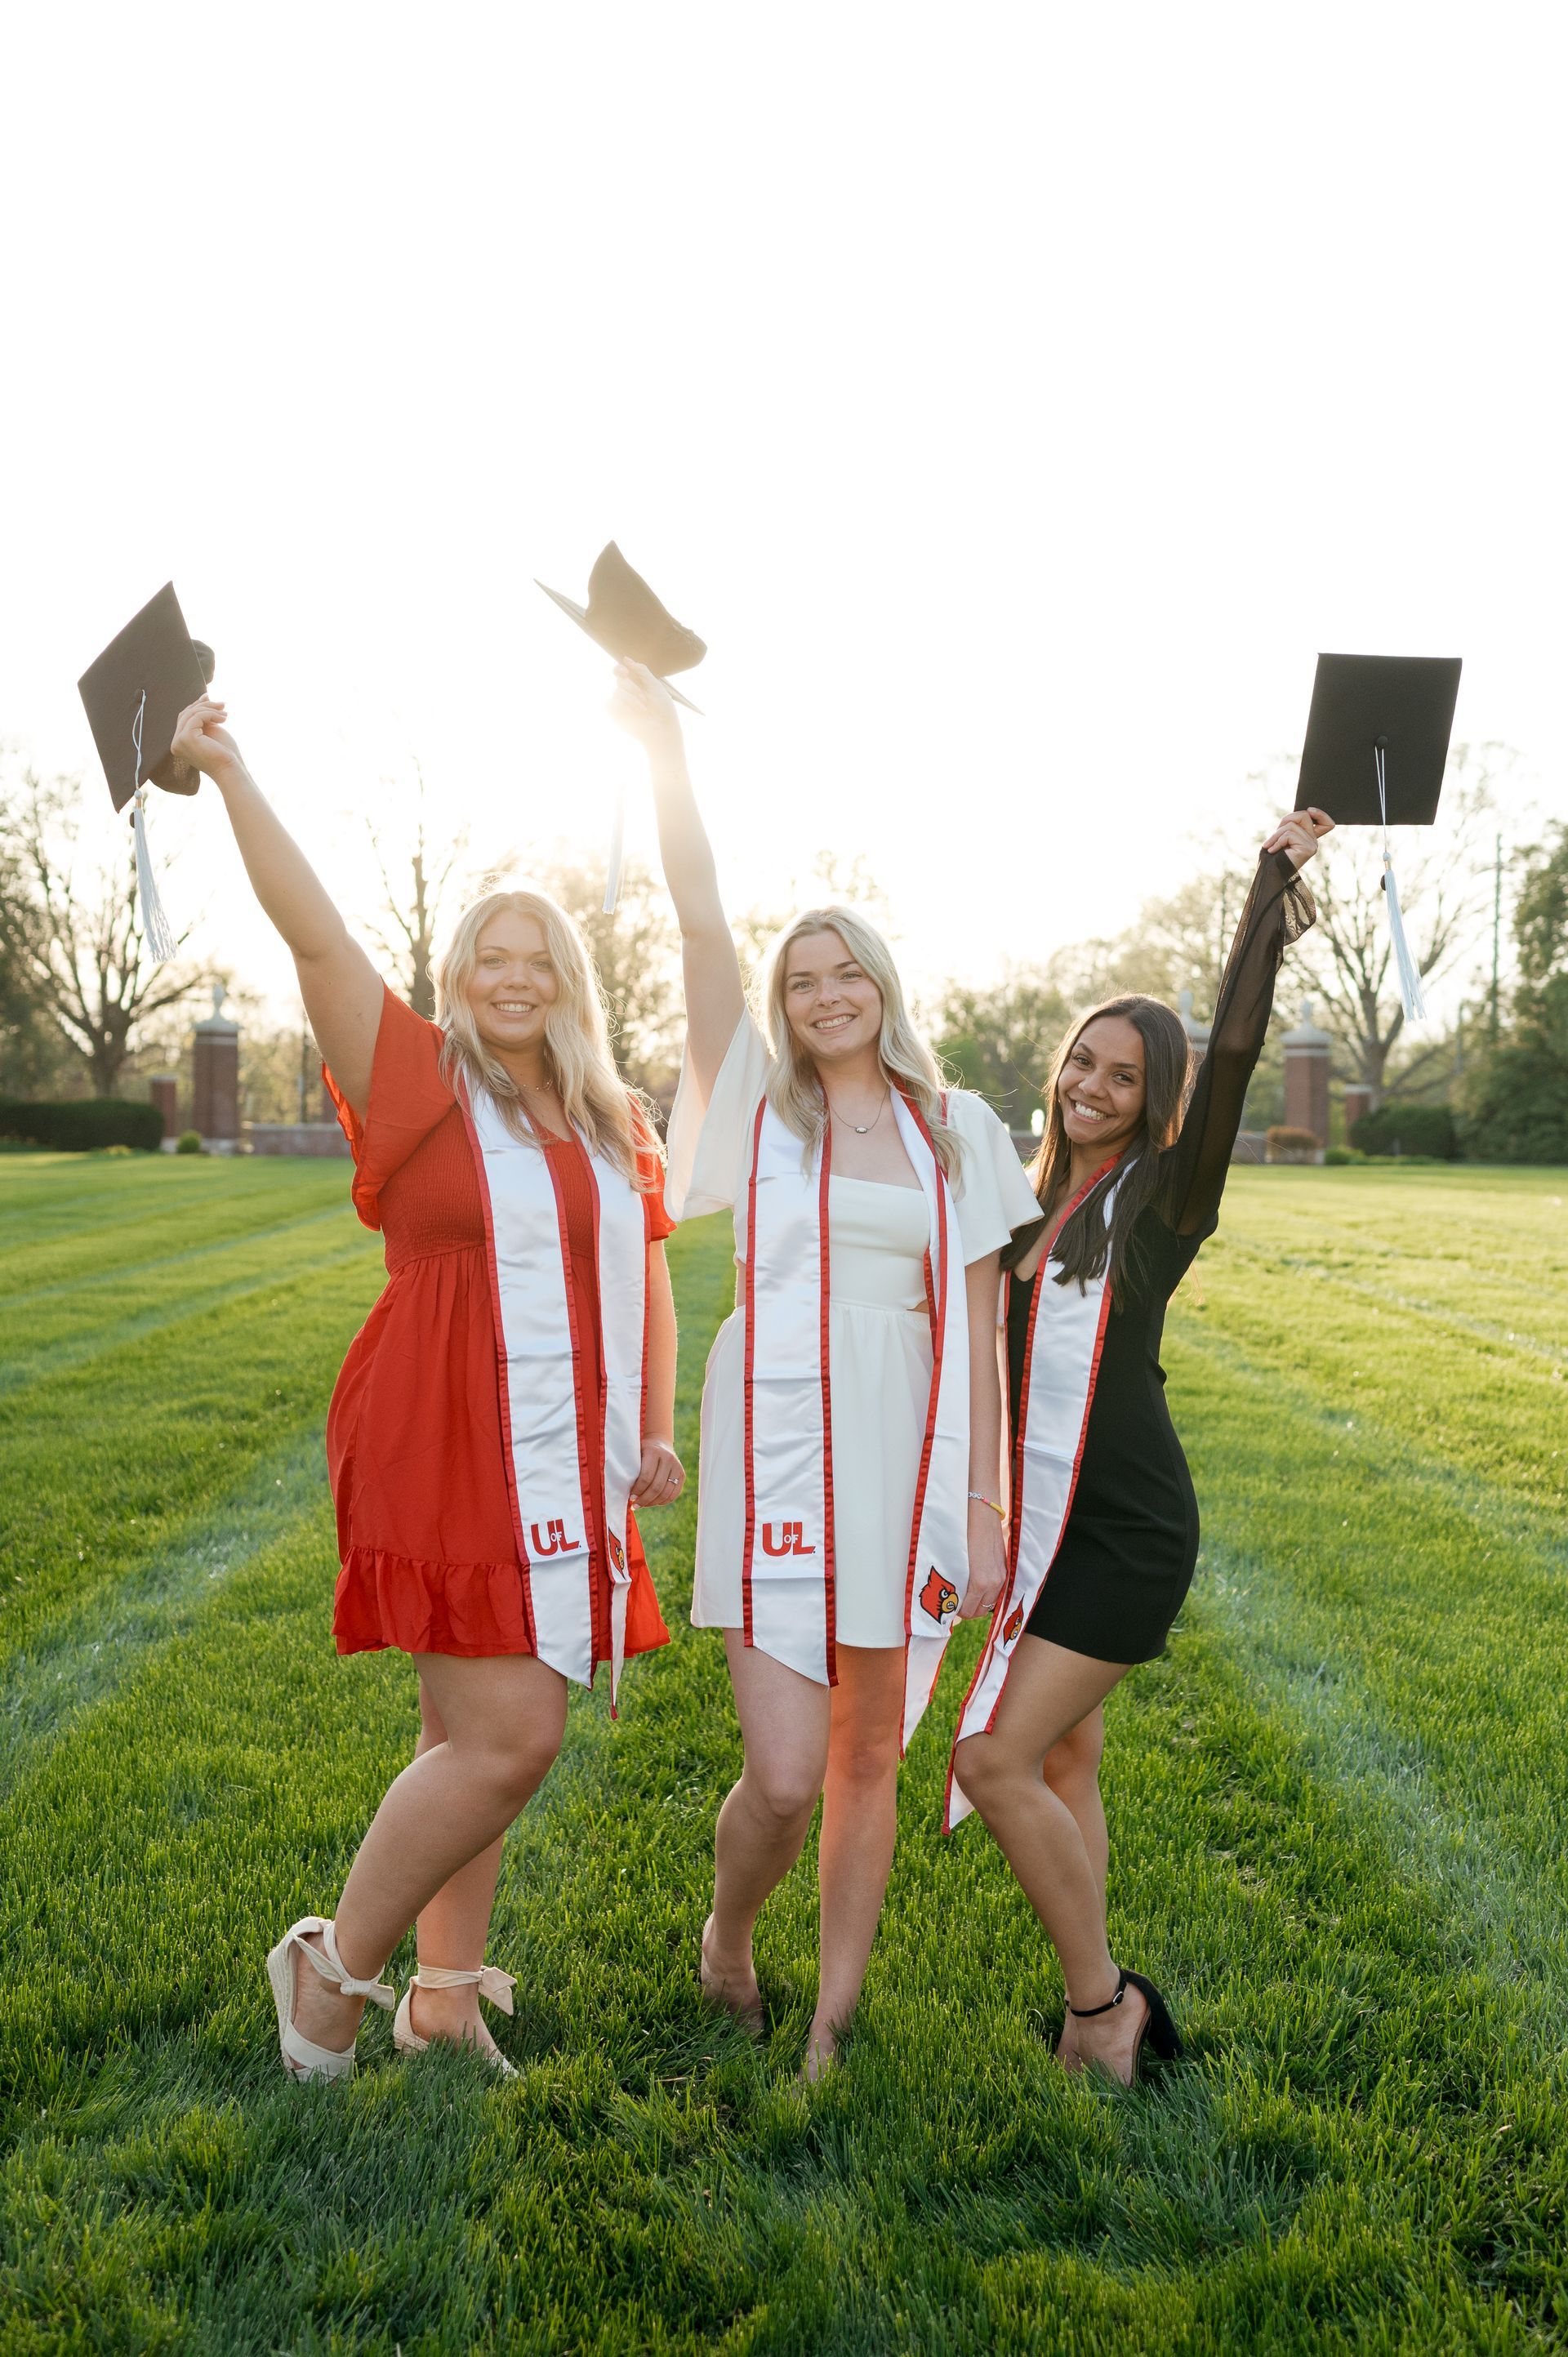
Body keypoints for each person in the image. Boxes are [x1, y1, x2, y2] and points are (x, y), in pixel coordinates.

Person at [168, 693, 684, 2081]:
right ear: (459, 975)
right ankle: (331, 1968)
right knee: (515, 1731)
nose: (516, 976)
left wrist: (654, 1423)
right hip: (438, 1432)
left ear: (569, 979)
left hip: (559, 1448)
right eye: (490, 956)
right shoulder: (415, 1079)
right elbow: (317, 931)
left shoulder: (604, 1114)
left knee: (464, 1729)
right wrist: (228, 771)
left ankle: (446, 1997)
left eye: (540, 958)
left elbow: (642, 1268)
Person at [608, 659, 1041, 2079]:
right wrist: (665, 748)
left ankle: (829, 2029)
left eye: (847, 970)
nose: (824, 993)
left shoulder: (960, 1127)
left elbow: (978, 1329)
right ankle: (730, 1933)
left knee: (871, 1761)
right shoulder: (758, 1113)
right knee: (787, 1772)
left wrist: (983, 1508)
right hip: (776, 1440)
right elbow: (697, 923)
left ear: (884, 985)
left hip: (908, 1445)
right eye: (804, 981)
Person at [947, 807, 1332, 2084]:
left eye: (1123, 1075)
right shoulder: (1027, 1195)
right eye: (1083, 1063)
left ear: (1155, 1098)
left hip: (1123, 1529)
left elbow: (1231, 1052)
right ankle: (1081, 2016)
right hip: (1045, 1518)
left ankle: (1106, 2004)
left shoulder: (1166, 1197)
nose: (1093, 1087)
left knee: (994, 1757)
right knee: (1064, 1759)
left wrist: (1267, 894)